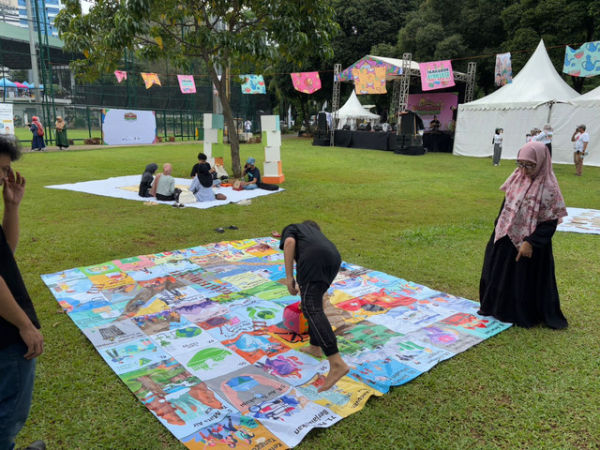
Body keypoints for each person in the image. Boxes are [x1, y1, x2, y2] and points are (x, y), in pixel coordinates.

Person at [479, 141, 568, 329]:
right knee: (497, 271)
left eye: (530, 165)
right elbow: (507, 205)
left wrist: (531, 242)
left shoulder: (548, 187)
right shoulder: (517, 177)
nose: (524, 170)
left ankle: (519, 313)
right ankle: (495, 308)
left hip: (530, 243)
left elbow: (550, 222)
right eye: (521, 164)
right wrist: (498, 228)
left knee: (522, 279)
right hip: (505, 234)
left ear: (542, 162)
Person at [0, 136, 45, 450]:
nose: (5, 177)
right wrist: (24, 325)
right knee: (8, 413)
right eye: (2, 169)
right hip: (5, 336)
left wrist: (12, 207)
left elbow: (5, 254)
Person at [280, 220, 349, 391]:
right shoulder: (315, 237)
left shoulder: (292, 228)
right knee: (312, 303)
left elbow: (289, 243)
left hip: (314, 259)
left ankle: (336, 362)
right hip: (334, 258)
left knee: (312, 308)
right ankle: (315, 347)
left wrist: (289, 278)